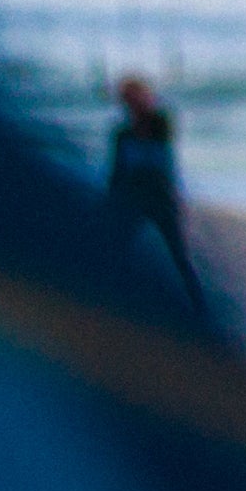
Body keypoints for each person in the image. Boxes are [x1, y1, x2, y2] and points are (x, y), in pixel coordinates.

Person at [106, 74, 204, 315]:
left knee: (179, 255)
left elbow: (163, 153)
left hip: (162, 198)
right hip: (134, 198)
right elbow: (117, 172)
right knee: (116, 249)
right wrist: (111, 200)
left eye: (135, 99)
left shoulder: (161, 124)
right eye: (129, 100)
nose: (133, 105)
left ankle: (199, 307)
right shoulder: (122, 134)